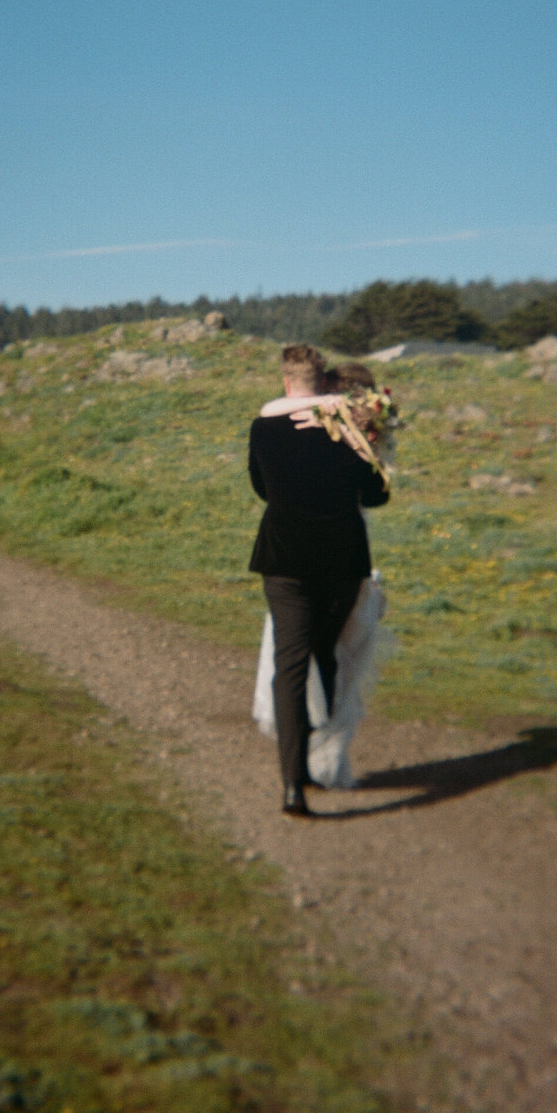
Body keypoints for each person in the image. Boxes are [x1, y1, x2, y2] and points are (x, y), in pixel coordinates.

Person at [248, 344, 390, 816]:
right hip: (342, 561)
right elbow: (375, 494)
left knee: (289, 669)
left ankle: (293, 784)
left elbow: (261, 487)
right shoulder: (347, 428)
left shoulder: (264, 429)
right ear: (321, 380)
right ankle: (319, 758)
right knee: (326, 657)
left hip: (285, 560)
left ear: (287, 382)